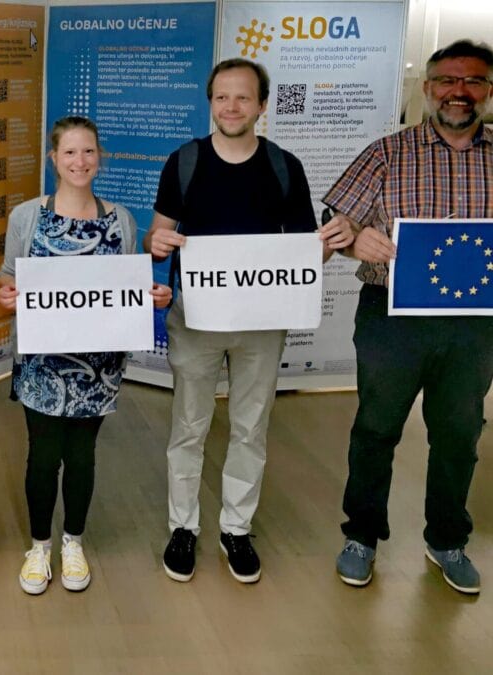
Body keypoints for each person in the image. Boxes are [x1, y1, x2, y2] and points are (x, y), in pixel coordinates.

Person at [142, 58, 353, 584]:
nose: (230, 107)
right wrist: (157, 242)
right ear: (209, 102)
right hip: (196, 318)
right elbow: (156, 234)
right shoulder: (184, 161)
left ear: (262, 105)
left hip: (262, 321)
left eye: (242, 98)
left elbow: (306, 255)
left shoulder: (285, 166)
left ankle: (237, 528)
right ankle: (182, 527)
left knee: (250, 426)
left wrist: (324, 248)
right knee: (188, 426)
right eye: (221, 97)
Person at [324, 39, 493, 595]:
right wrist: (354, 244)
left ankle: (447, 539)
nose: (459, 92)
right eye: (448, 80)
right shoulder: (387, 152)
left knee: (459, 432)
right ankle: (362, 537)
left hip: (475, 324)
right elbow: (333, 231)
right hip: (391, 318)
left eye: (473, 82)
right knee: (376, 427)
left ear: (488, 91)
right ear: (427, 88)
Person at [0, 116, 171, 595]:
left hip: (99, 367)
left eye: (88, 151)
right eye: (69, 152)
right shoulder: (27, 216)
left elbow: (128, 288)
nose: (80, 161)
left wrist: (153, 296)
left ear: (100, 157)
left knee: (83, 455)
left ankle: (73, 542)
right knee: (42, 455)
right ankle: (38, 546)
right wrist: (7, 292)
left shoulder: (122, 220)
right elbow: (7, 278)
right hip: (41, 364)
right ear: (54, 159)